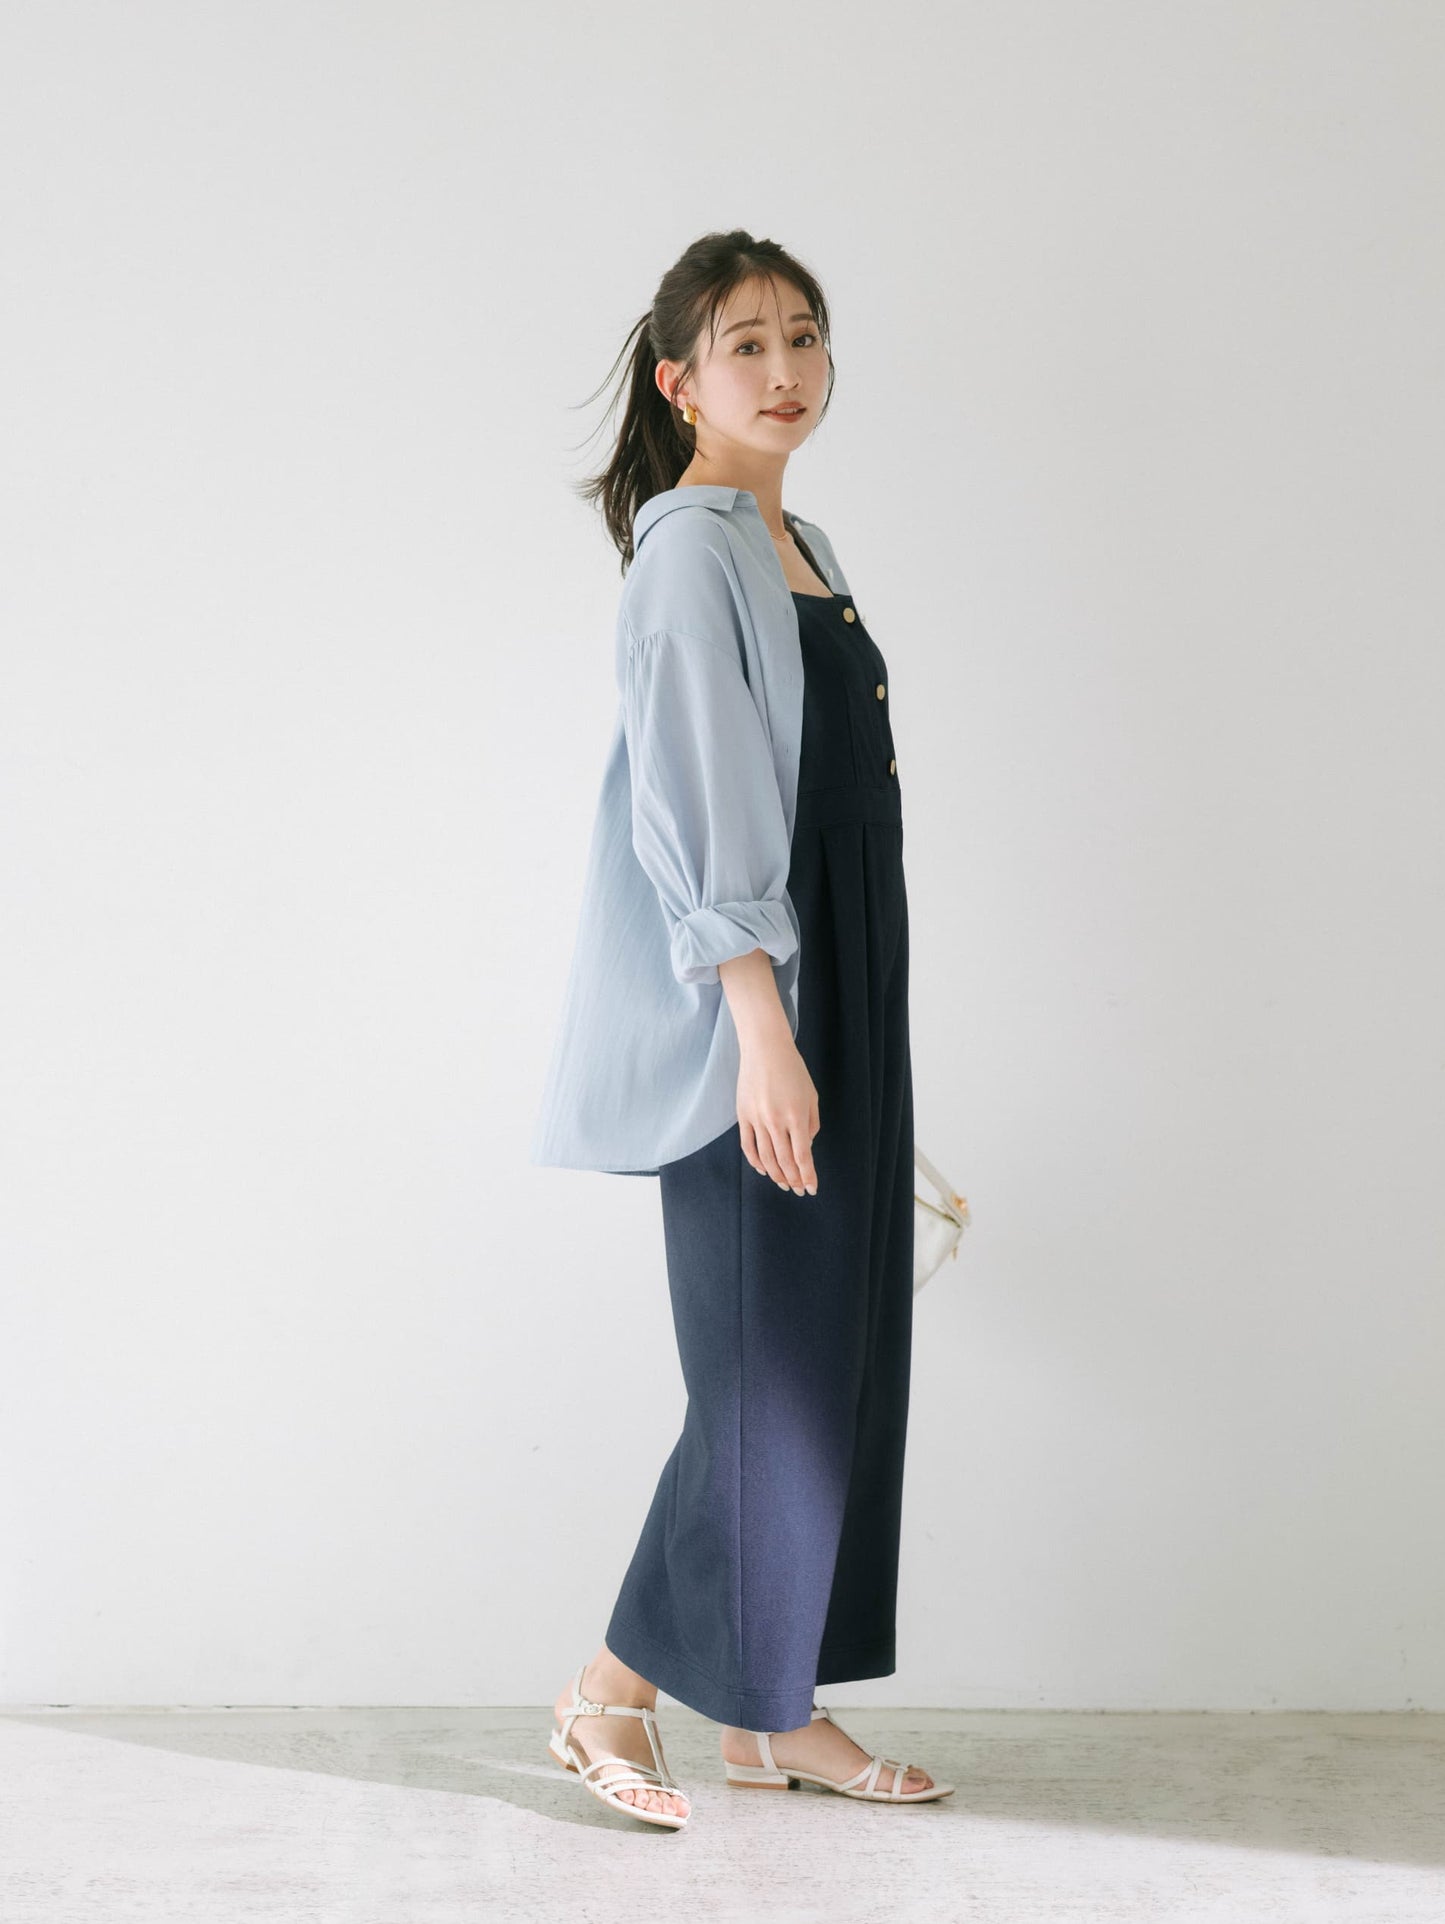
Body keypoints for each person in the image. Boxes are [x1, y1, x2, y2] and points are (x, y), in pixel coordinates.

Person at [531, 230, 952, 1829]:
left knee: (833, 1364)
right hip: (756, 1001)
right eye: (746, 346)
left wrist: (859, 1036)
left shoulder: (805, 545)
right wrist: (764, 1032)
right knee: (761, 1379)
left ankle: (772, 1713)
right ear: (678, 381)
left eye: (803, 336)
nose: (784, 371)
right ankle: (606, 1689)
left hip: (849, 974)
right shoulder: (688, 557)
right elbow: (697, 813)